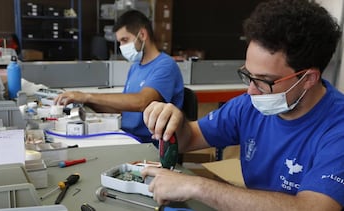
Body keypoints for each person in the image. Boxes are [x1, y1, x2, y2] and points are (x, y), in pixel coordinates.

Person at [141, 0, 344, 210]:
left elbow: (314, 207)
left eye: (264, 81)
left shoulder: (337, 129)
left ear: (309, 79)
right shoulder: (247, 107)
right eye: (248, 75)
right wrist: (173, 121)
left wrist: (198, 186)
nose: (251, 91)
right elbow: (189, 138)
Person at [54, 10, 184, 144]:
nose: (122, 47)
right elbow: (123, 109)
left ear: (143, 34)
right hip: (126, 136)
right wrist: (85, 102)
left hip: (148, 144)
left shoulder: (165, 66)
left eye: (125, 40)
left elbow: (142, 102)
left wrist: (87, 96)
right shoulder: (135, 67)